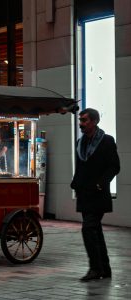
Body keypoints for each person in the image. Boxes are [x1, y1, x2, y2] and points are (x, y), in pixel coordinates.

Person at [70, 108, 120, 282]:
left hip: (98, 194)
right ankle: (105, 269)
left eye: (84, 120)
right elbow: (81, 167)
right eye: (80, 120)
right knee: (95, 231)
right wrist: (75, 183)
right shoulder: (80, 142)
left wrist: (101, 183)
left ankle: (95, 268)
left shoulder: (106, 141)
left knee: (88, 228)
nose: (81, 124)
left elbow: (115, 166)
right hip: (84, 193)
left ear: (95, 121)